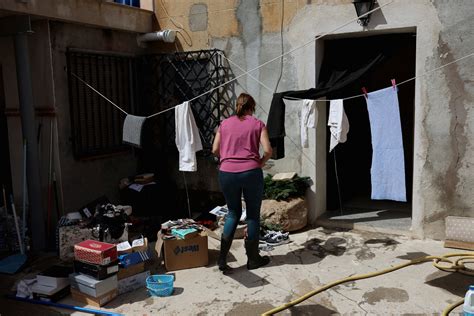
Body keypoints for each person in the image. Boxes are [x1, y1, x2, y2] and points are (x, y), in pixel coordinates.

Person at [212, 93, 273, 272]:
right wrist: (259, 163)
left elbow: (215, 149)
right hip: (251, 173)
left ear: (237, 106)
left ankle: (222, 260)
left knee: (233, 213)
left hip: (227, 173)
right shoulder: (258, 124)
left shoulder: (224, 124)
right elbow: (268, 150)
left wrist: (229, 159)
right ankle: (253, 259)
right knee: (253, 215)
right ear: (251, 107)